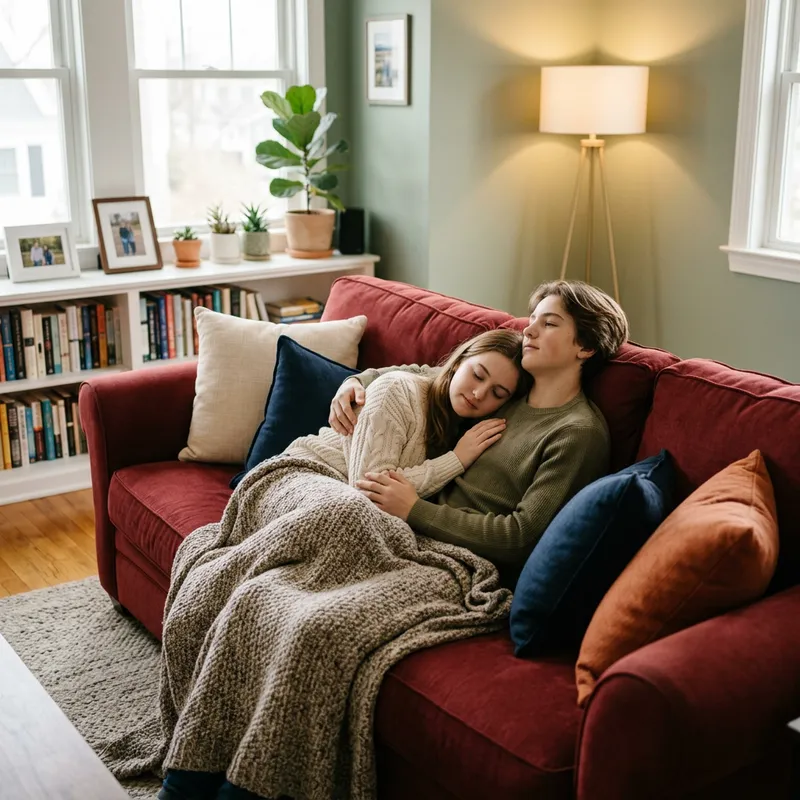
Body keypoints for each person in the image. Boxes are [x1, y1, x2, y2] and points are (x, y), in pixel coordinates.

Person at [330, 279, 629, 588]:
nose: (528, 330)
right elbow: (436, 377)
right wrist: (358, 382)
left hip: (452, 558)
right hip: (405, 527)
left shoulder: (577, 433)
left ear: (586, 347)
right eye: (533, 319)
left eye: (550, 323)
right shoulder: (506, 395)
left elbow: (521, 538)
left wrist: (415, 510)